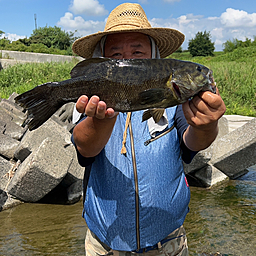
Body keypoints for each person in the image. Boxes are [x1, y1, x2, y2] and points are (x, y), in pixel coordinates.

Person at [71, 3, 226, 256]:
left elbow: (193, 143)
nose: (127, 58)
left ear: (154, 55)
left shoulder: (175, 99)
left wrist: (207, 125)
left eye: (137, 51)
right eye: (116, 54)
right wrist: (103, 117)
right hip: (105, 245)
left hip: (169, 244)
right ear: (102, 60)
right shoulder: (89, 100)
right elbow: (84, 149)